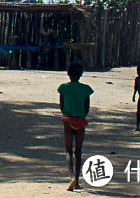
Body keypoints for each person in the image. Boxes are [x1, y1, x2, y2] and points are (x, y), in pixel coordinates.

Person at [58, 60, 93, 191]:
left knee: (68, 151)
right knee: (78, 152)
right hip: (81, 121)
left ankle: (71, 175)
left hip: (67, 121)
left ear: (68, 74)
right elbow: (87, 108)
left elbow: (61, 106)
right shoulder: (86, 89)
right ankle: (77, 181)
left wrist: (68, 114)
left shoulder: (63, 87)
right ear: (81, 75)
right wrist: (81, 116)